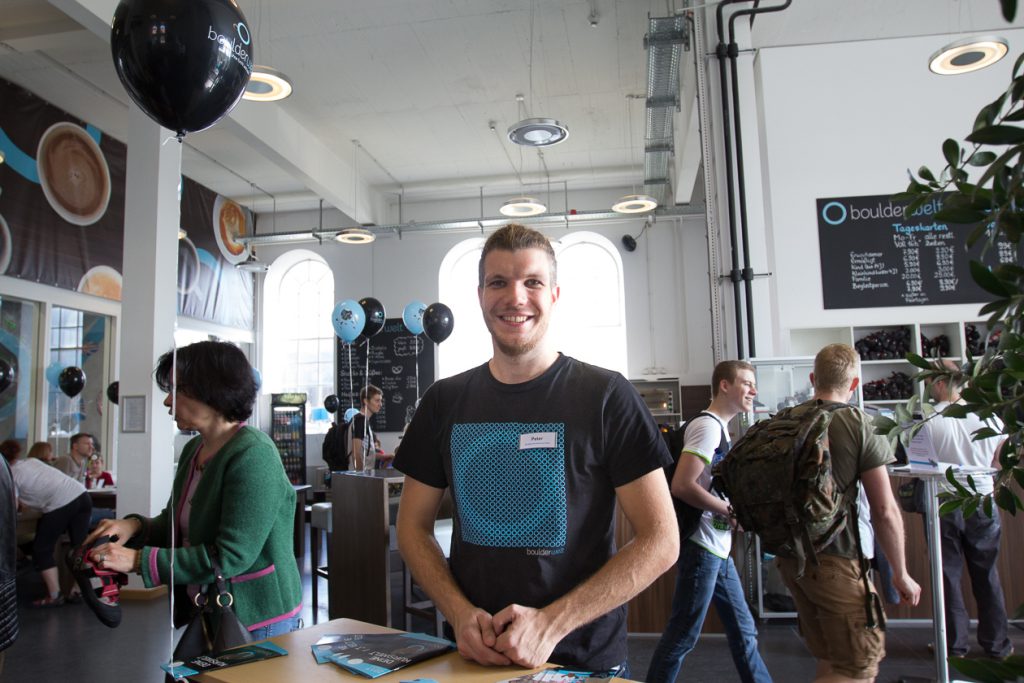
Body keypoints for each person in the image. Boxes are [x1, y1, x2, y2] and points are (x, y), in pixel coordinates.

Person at [395, 223, 678, 674]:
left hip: (581, 663)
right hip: (472, 655)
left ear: (555, 294)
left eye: (532, 282)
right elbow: (411, 527)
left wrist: (550, 624)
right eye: (498, 282)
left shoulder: (606, 396)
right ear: (480, 295)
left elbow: (662, 540)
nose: (516, 297)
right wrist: (458, 614)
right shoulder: (444, 402)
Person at [84, 340, 302, 639]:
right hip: (208, 608)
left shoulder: (254, 454)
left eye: (176, 390)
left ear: (212, 390)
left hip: (257, 618)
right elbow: (177, 525)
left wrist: (136, 561)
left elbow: (231, 557)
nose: (167, 402)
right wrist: (133, 526)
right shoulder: (194, 450)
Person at [775, 344, 920, 683]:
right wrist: (900, 572)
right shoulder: (858, 423)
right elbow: (884, 509)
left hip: (791, 558)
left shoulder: (788, 420)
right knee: (858, 664)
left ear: (813, 378)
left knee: (831, 656)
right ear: (855, 384)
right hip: (837, 559)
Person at [646, 360, 772, 683]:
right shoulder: (708, 428)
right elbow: (683, 486)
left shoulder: (719, 429)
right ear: (724, 385)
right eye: (746, 382)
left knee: (744, 631)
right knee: (682, 636)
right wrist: (728, 512)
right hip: (703, 548)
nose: (753, 391)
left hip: (716, 549)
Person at [914, 360, 1012, 660]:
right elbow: (1000, 461)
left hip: (944, 503)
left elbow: (919, 467)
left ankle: (953, 646)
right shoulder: (989, 417)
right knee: (987, 574)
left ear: (941, 383)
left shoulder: (927, 420)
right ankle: (997, 645)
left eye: (932, 381)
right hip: (982, 501)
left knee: (948, 576)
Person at [1, 439, 91, 606]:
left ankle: (55, 595)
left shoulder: (9, 474)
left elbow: (10, 507)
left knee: (41, 548)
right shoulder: (31, 461)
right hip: (82, 496)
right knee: (80, 546)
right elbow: (39, 486)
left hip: (61, 503)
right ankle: (79, 590)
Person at [350, 384, 383, 470]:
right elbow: (356, 453)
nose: (380, 404)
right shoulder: (360, 420)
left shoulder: (363, 420)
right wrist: (361, 476)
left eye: (381, 401)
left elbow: (367, 453)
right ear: (366, 401)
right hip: (360, 477)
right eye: (377, 401)